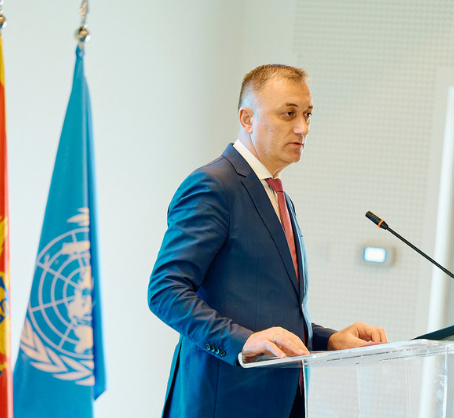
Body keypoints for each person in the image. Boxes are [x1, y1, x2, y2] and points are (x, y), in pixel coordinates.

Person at [148, 64, 387, 418]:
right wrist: (242, 341)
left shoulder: (278, 196)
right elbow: (165, 291)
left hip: (281, 401)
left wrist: (328, 339)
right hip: (224, 402)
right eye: (289, 113)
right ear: (247, 119)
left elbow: (267, 310)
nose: (303, 127)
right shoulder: (213, 186)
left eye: (307, 114)